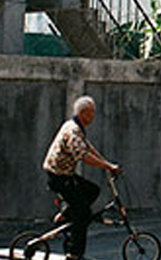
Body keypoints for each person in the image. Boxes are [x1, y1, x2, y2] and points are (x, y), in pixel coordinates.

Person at [43, 95, 120, 260]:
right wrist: (106, 166)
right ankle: (74, 253)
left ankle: (66, 214)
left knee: (92, 190)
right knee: (83, 213)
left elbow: (89, 148)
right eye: (91, 113)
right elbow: (83, 155)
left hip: (65, 174)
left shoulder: (77, 127)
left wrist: (107, 163)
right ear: (83, 113)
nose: (93, 116)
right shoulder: (72, 130)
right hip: (59, 177)